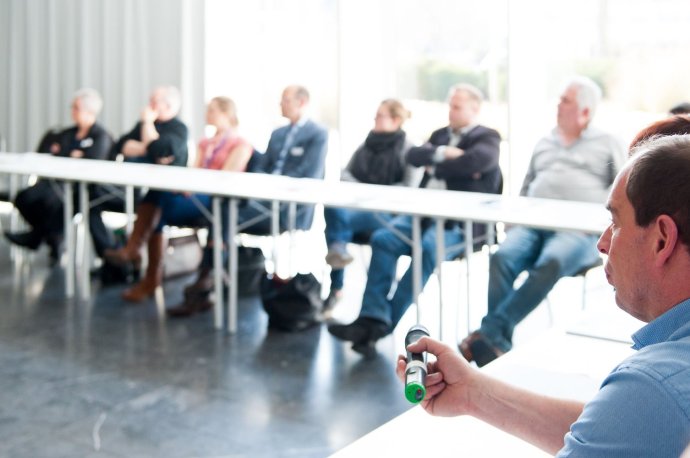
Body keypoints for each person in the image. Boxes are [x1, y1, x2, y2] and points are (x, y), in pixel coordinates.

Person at [397, 133, 690, 457]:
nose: (603, 243)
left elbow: (633, 415)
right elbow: (614, 433)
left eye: (616, 222)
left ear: (662, 240)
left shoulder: (653, 388)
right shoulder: (651, 403)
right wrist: (472, 392)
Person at [459, 76, 626, 367]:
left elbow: (624, 190)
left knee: (552, 260)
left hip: (578, 231)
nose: (558, 105)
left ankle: (488, 334)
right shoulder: (545, 141)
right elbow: (527, 185)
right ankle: (496, 343)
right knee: (502, 257)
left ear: (585, 111)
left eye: (566, 101)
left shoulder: (607, 143)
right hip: (532, 224)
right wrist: (515, 221)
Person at [328, 83, 502, 357]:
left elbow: (475, 163)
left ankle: (379, 325)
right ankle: (373, 316)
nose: (451, 111)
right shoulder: (440, 134)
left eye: (457, 107)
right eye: (450, 105)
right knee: (383, 239)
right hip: (421, 215)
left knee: (428, 249)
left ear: (474, 109)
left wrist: (438, 162)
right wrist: (446, 155)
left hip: (459, 224)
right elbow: (415, 155)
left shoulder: (488, 137)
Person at [169, 84, 328, 317]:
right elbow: (262, 167)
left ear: (301, 103)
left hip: (288, 208)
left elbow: (309, 174)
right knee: (222, 208)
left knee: (223, 211)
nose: (280, 104)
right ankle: (210, 276)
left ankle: (207, 277)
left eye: (285, 100)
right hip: (260, 200)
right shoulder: (277, 134)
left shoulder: (318, 134)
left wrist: (269, 183)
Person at [104, 96, 252, 303]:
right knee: (157, 198)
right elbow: (194, 172)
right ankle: (143, 266)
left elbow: (225, 179)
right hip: (196, 193)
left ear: (226, 114)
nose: (206, 114)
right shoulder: (205, 142)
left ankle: (138, 258)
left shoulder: (240, 144)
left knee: (158, 202)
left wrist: (192, 185)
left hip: (216, 201)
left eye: (211, 110)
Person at [323, 99, 422, 312]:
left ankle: (336, 287)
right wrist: (362, 190)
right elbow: (345, 173)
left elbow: (409, 187)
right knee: (333, 207)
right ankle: (338, 254)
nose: (375, 119)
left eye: (380, 115)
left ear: (395, 120)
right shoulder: (366, 144)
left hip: (387, 213)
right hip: (358, 207)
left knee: (337, 228)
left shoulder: (409, 150)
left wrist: (373, 194)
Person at [4, 88, 113, 264]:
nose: (72, 111)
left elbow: (93, 162)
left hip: (79, 188)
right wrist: (73, 154)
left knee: (56, 204)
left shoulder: (101, 136)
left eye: (76, 108)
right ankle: (52, 237)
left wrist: (69, 154)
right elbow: (52, 151)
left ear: (88, 111)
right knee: (24, 198)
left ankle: (38, 237)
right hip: (54, 181)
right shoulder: (68, 133)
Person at [88, 85, 189, 267]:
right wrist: (147, 147)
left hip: (164, 194)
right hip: (133, 191)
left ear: (168, 105)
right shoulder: (142, 124)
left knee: (155, 198)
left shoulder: (178, 129)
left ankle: (131, 253)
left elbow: (159, 149)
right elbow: (120, 145)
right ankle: (113, 254)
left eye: (154, 101)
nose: (149, 105)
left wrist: (147, 125)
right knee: (90, 199)